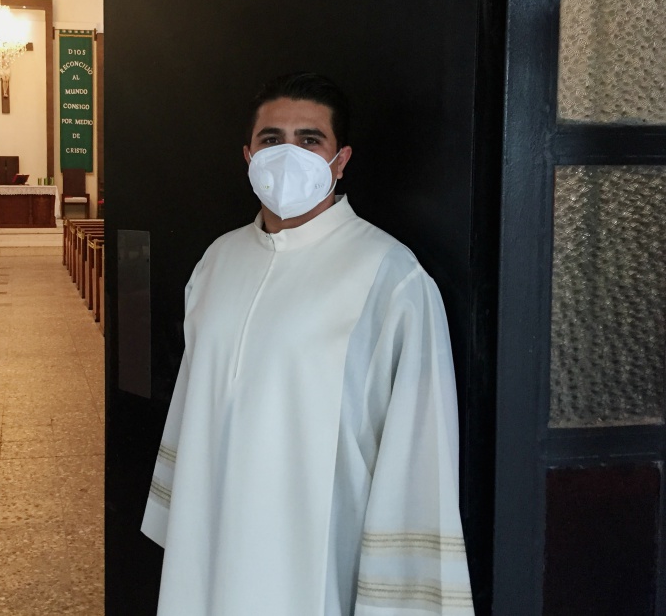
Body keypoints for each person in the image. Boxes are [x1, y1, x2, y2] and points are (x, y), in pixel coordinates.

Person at [142, 72, 473, 615]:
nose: (287, 153)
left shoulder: (389, 275)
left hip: (314, 546)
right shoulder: (217, 262)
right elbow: (192, 399)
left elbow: (418, 440)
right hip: (208, 531)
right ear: (248, 154)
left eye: (309, 139)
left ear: (339, 160)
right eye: (272, 140)